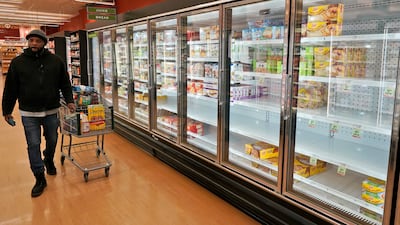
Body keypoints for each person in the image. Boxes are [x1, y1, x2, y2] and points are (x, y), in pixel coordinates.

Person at [2, 29, 76, 197]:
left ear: (44, 42)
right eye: (31, 40)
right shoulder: (18, 62)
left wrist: (70, 100)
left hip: (51, 110)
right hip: (28, 112)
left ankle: (48, 158)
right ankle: (39, 176)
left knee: (52, 139)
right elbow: (11, 88)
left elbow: (65, 83)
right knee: (33, 144)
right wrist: (7, 110)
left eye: (37, 40)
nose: (33, 43)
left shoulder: (56, 61)